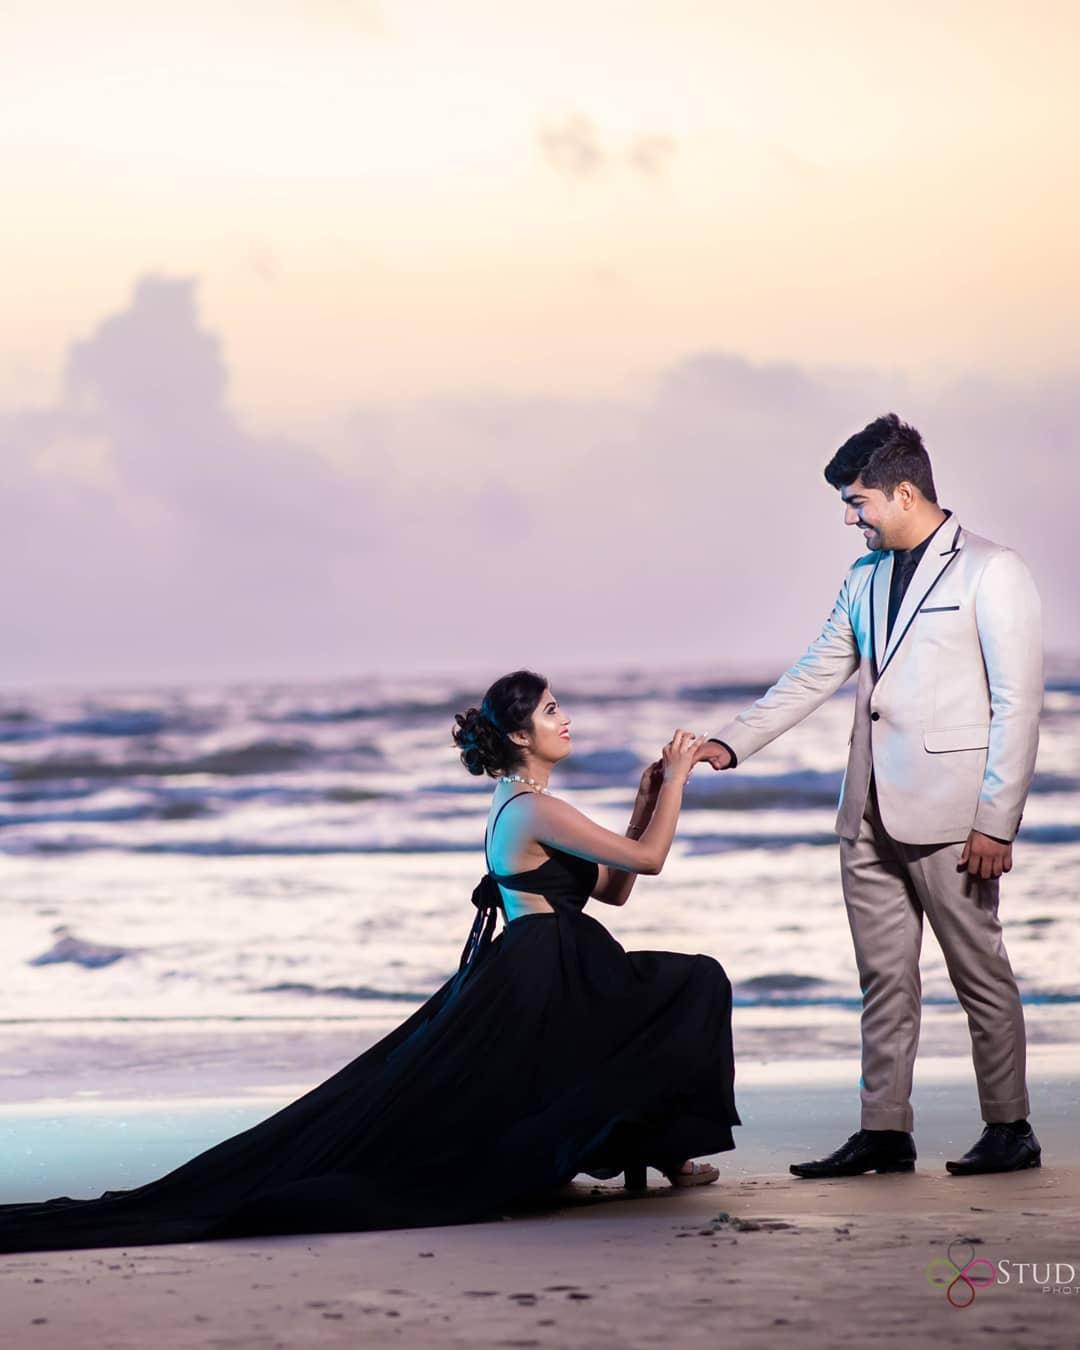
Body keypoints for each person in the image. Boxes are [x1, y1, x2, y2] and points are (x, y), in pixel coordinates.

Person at [0, 670, 739, 1253]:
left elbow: (615, 891)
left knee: (674, 993)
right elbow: (652, 862)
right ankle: (668, 1155)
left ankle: (661, 1153)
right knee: (692, 986)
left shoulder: (535, 802)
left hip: (563, 962)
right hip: (544, 975)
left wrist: (645, 800)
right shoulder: (530, 808)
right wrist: (675, 781)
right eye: (550, 711)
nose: (564, 717)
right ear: (519, 734)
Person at [696, 413, 1042, 1178]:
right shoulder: (863, 579)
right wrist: (733, 742)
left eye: (859, 504)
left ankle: (1011, 1127)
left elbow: (1019, 705)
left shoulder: (993, 570)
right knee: (883, 979)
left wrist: (997, 821)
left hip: (955, 818)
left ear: (905, 492)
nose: (852, 520)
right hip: (868, 813)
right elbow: (816, 672)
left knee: (977, 971)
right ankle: (885, 1130)